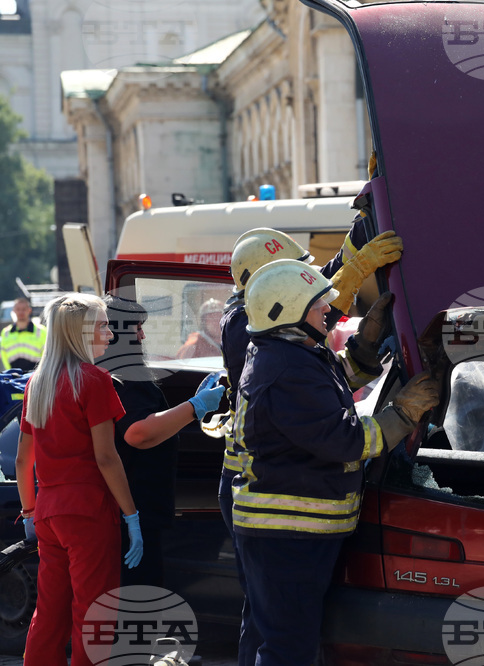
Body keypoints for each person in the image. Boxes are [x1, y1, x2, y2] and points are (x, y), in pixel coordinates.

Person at [233, 259, 438, 665]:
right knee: (287, 648)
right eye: (316, 305)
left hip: (291, 534)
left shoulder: (291, 353)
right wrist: (402, 413)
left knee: (278, 638)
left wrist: (366, 341)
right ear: (287, 312)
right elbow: (344, 440)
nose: (327, 310)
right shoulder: (286, 368)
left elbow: (333, 382)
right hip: (287, 536)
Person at [14, 293, 144, 665]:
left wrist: (28, 513)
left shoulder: (35, 383)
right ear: (79, 332)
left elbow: (24, 459)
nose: (110, 333)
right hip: (88, 511)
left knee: (49, 611)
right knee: (95, 612)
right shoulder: (95, 380)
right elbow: (106, 457)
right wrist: (131, 515)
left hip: (48, 511)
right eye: (102, 325)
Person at [101, 295, 225, 587]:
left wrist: (191, 404)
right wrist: (194, 407)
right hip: (133, 509)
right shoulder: (126, 374)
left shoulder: (110, 368)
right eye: (137, 328)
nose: (143, 335)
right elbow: (138, 433)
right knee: (138, 598)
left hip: (127, 507)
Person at [1, 296, 46, 371]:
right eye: (18, 309)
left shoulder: (41, 331)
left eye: (24, 309)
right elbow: (3, 355)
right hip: (13, 377)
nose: (21, 312)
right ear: (14, 311)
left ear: (29, 310)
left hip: (35, 376)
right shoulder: (6, 332)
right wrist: (10, 372)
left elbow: (46, 354)